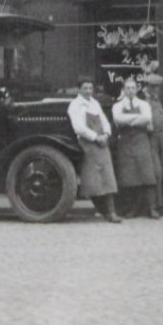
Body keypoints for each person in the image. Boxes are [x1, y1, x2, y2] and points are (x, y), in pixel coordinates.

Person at [68, 79, 121, 222]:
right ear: (78, 89)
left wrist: (106, 134)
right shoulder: (75, 105)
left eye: (90, 88)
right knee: (93, 179)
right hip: (87, 143)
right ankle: (103, 211)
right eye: (85, 88)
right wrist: (95, 137)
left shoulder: (95, 103)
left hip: (102, 142)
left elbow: (104, 120)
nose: (88, 91)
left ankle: (111, 212)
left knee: (108, 176)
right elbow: (78, 127)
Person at [111, 77, 161, 219]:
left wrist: (129, 121)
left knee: (147, 174)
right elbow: (117, 120)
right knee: (129, 177)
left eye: (133, 88)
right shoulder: (118, 105)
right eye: (128, 88)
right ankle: (132, 209)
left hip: (141, 141)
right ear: (124, 90)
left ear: (137, 89)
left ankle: (152, 208)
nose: (131, 90)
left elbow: (147, 118)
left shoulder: (144, 104)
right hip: (125, 142)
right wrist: (136, 119)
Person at [142, 73, 163, 216]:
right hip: (149, 138)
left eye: (157, 86)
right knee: (156, 172)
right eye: (152, 86)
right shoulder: (141, 100)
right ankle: (156, 206)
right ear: (146, 87)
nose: (155, 89)